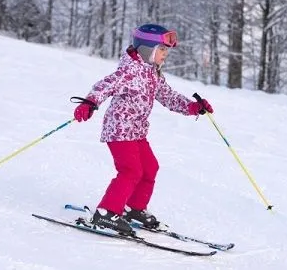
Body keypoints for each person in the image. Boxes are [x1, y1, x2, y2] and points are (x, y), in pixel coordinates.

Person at [73, 23, 214, 235]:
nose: (165, 55)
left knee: (150, 168)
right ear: (148, 50)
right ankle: (106, 213)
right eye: (162, 50)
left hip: (137, 131)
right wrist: (89, 102)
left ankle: (134, 208)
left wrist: (193, 107)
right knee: (131, 171)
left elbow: (168, 96)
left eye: (166, 51)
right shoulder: (128, 71)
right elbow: (105, 85)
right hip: (119, 129)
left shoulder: (153, 74)